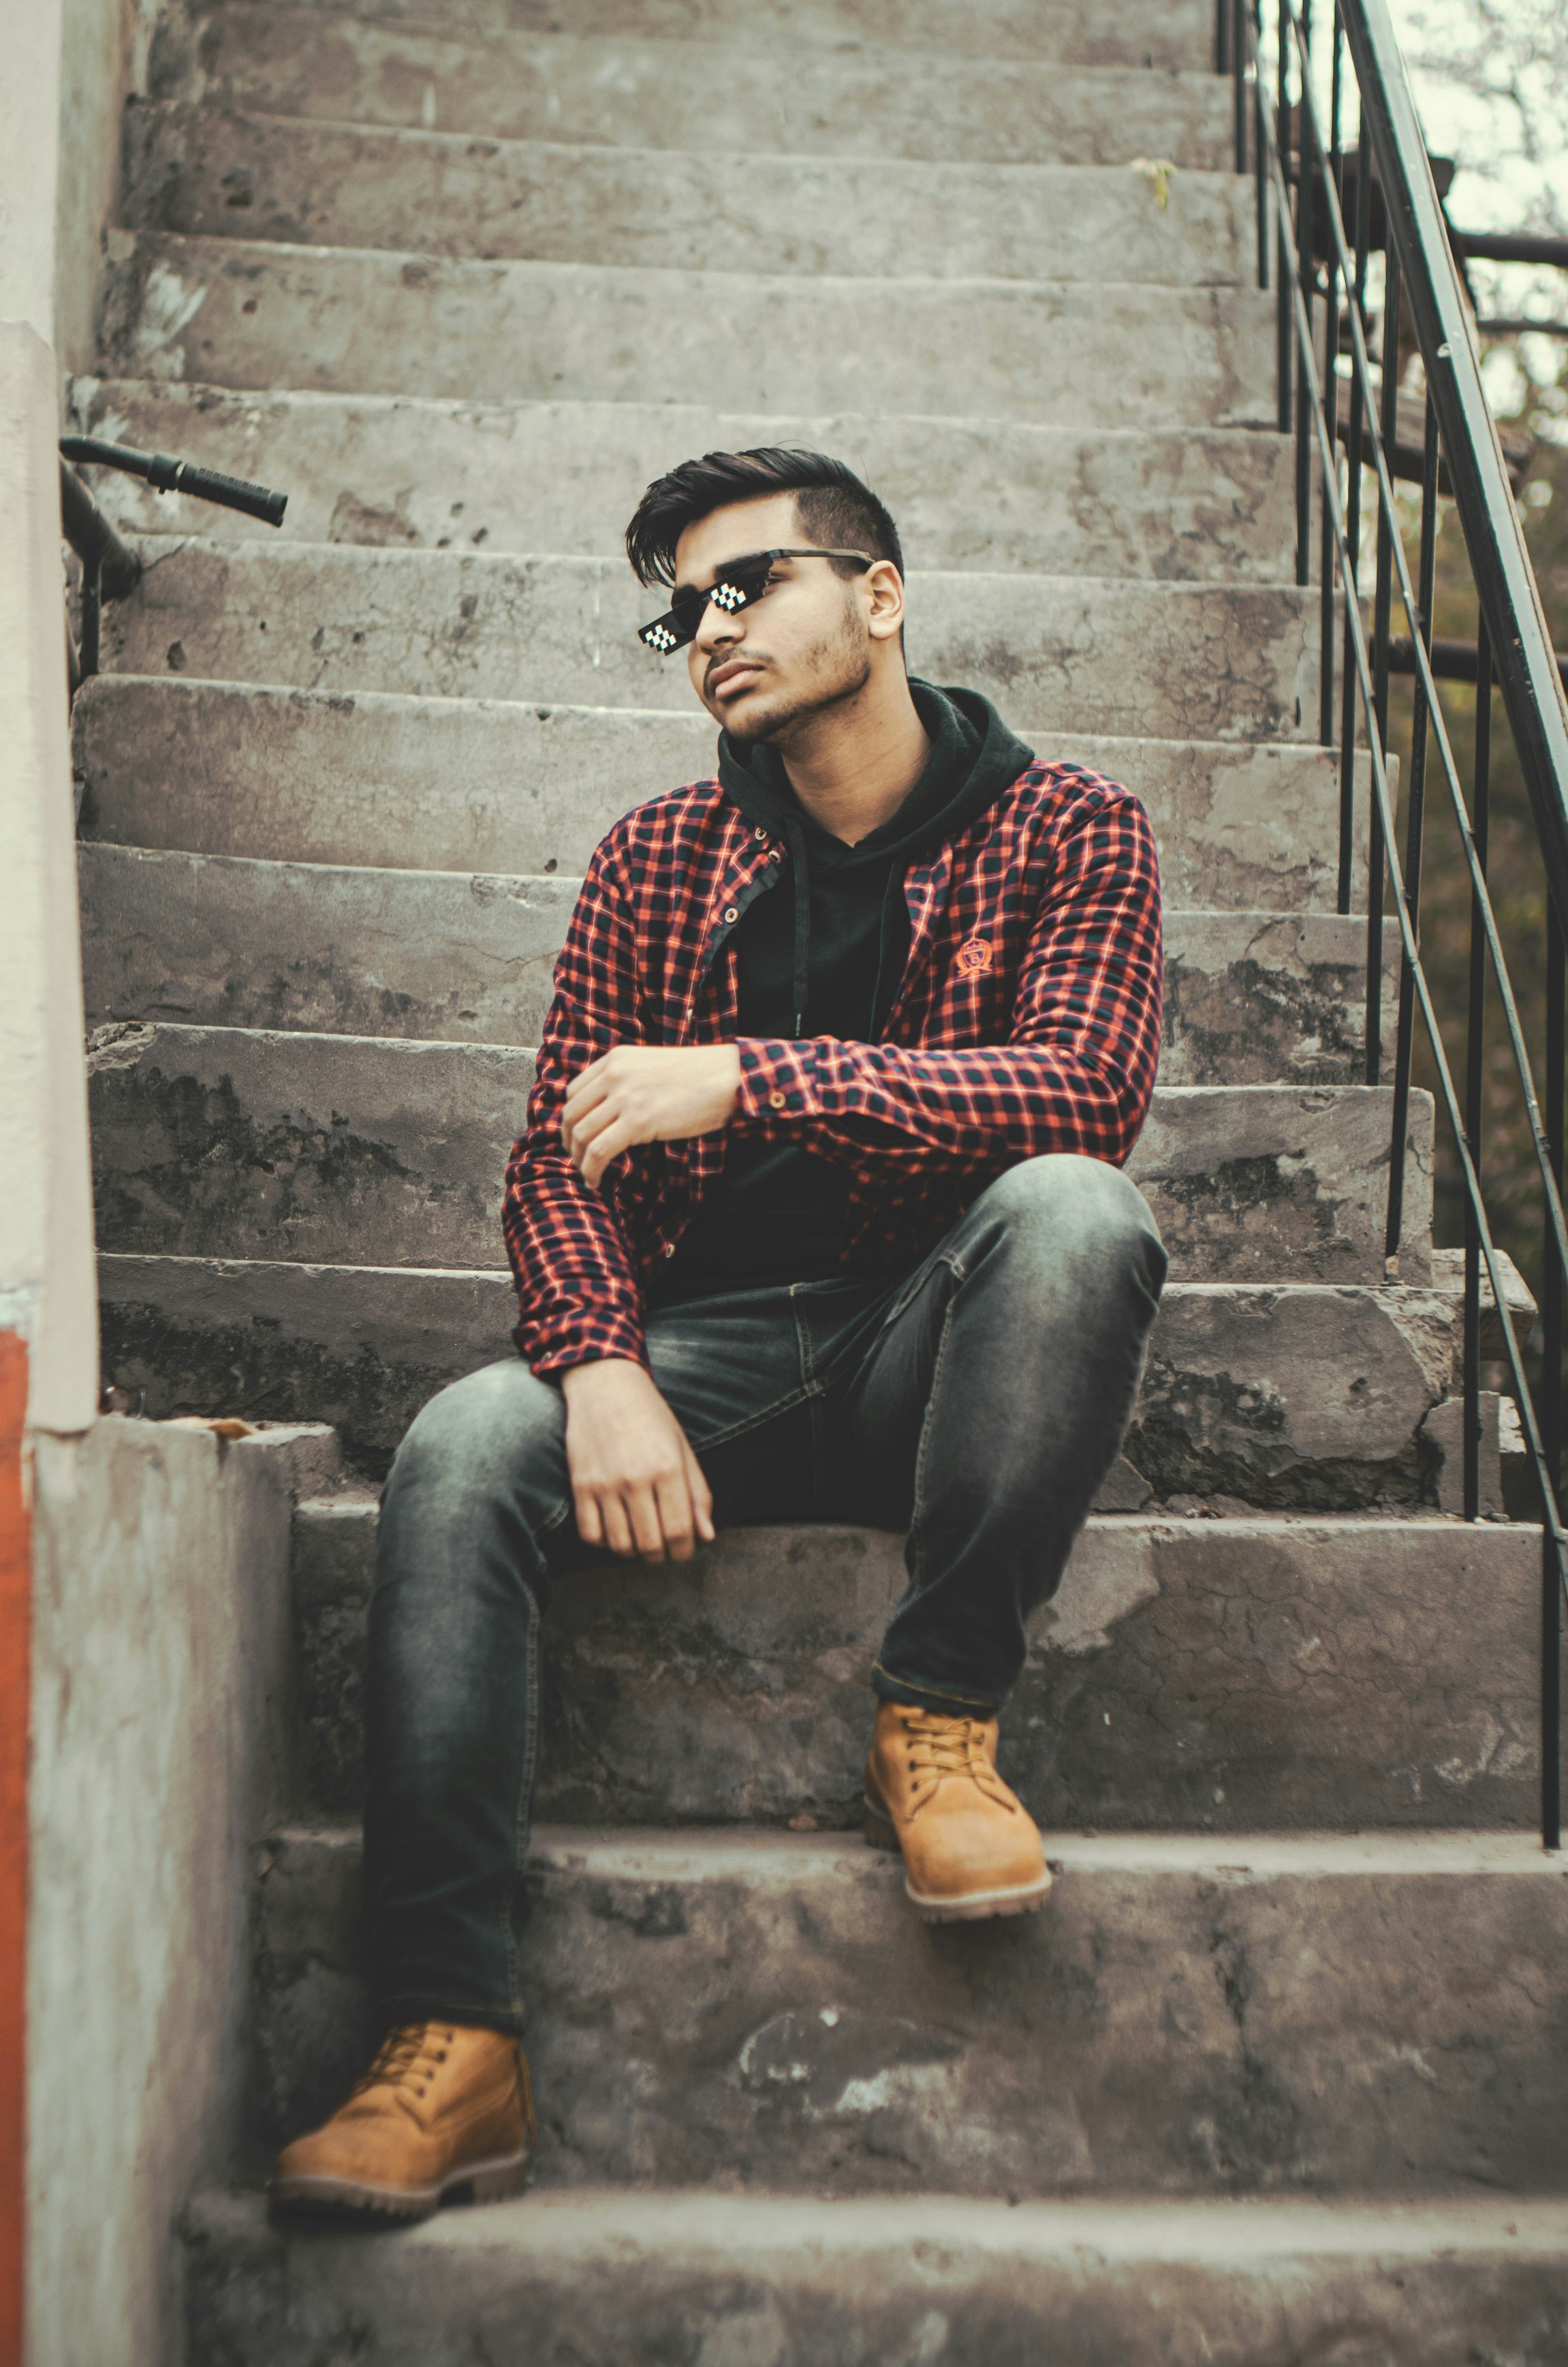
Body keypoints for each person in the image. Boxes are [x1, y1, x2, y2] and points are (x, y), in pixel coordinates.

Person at [270, 448, 1167, 2221]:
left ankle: (939, 1721)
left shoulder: (1071, 825)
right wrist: (599, 1364)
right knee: (461, 1445)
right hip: (706, 1362)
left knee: (1080, 1215)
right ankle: (453, 2034)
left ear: (881, 596)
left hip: (936, 1351)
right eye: (684, 610)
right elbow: (560, 1161)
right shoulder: (658, 858)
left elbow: (1081, 1091)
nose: (711, 630)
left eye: (750, 585)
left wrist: (754, 1076)